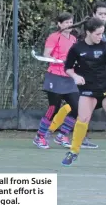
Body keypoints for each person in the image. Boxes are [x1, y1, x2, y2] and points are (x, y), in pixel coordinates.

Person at [60, 18, 106, 167]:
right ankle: (73, 152)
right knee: (83, 120)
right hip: (88, 91)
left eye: (102, 34)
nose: (100, 37)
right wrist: (75, 76)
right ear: (88, 32)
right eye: (98, 34)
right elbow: (67, 68)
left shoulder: (105, 47)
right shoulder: (76, 49)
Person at [33, 12, 80, 149]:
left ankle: (62, 135)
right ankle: (39, 136)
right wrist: (58, 60)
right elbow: (47, 55)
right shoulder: (54, 37)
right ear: (59, 24)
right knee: (54, 108)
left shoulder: (73, 39)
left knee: (77, 108)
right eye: (66, 22)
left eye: (71, 22)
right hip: (54, 76)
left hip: (69, 78)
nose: (69, 25)